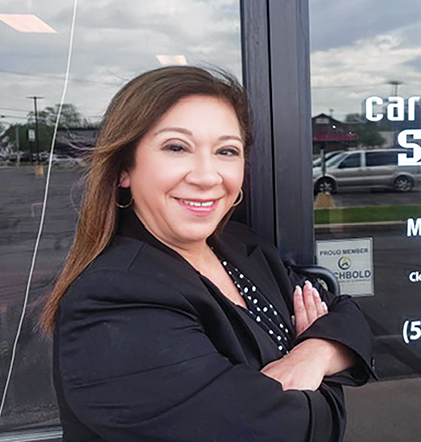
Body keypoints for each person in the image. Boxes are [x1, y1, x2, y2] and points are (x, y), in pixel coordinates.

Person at [41, 66, 374, 442]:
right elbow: (282, 432)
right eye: (177, 147)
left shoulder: (242, 247)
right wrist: (331, 388)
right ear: (123, 169)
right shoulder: (111, 300)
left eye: (226, 151)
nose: (207, 176)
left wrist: (314, 354)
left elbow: (349, 315)